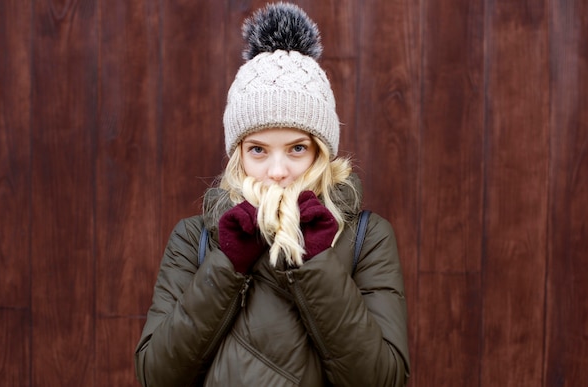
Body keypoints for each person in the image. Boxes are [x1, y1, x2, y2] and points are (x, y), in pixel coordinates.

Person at [135, 3, 410, 386]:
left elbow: (383, 379)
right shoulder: (194, 239)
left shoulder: (366, 238)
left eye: (297, 148)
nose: (278, 171)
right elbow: (156, 376)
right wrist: (227, 264)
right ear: (239, 154)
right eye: (258, 150)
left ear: (320, 151)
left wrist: (318, 265)